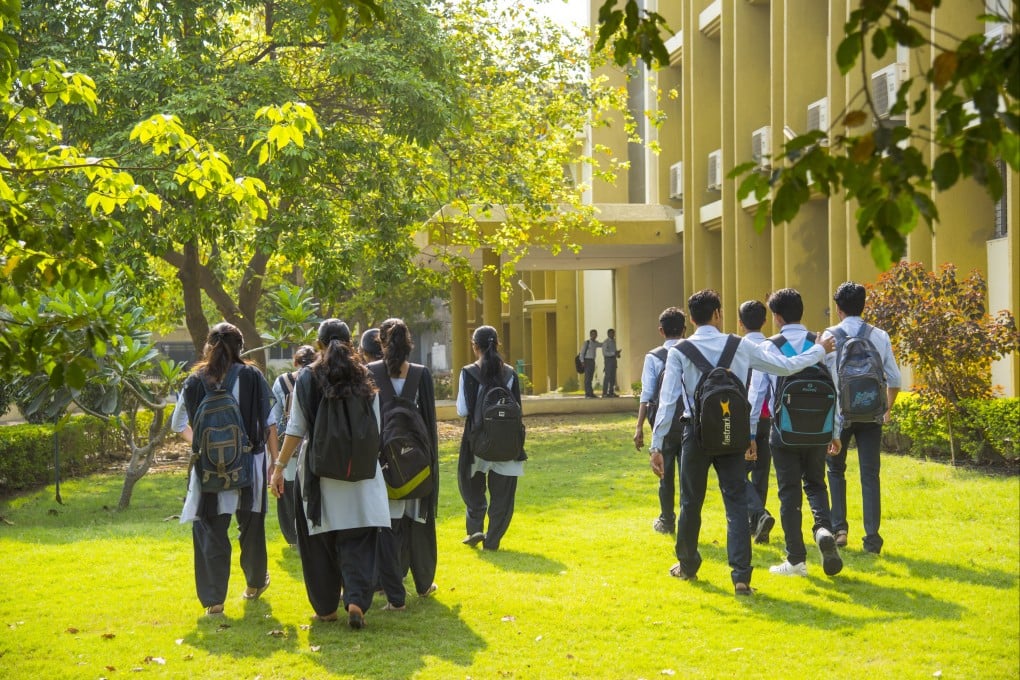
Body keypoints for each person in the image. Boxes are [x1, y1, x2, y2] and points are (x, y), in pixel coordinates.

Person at [649, 289, 835, 596]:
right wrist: (819, 350)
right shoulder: (740, 345)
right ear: (718, 314)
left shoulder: (679, 351)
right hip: (732, 435)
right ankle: (741, 577)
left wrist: (657, 445)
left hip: (695, 434)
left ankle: (688, 565)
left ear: (691, 319)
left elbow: (668, 401)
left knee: (690, 503)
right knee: (736, 505)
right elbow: (785, 367)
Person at [269, 319, 390, 629]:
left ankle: (325, 608)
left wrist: (279, 467)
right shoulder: (365, 374)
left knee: (318, 544)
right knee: (359, 539)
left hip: (319, 472)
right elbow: (376, 425)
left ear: (319, 344)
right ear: (350, 342)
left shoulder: (308, 377)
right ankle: (355, 601)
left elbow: (295, 429)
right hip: (361, 472)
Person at [171, 322, 278, 617]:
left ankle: (214, 601)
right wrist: (276, 464)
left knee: (210, 530)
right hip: (250, 465)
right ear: (240, 347)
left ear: (208, 346)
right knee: (251, 527)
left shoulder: (194, 381)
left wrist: (201, 446)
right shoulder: (253, 376)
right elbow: (270, 422)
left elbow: (177, 423)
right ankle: (255, 584)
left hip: (209, 471)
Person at [761, 289, 843, 577]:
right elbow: (835, 388)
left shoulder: (771, 346)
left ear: (777, 317)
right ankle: (823, 529)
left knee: (789, 493)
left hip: (783, 433)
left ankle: (796, 560)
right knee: (816, 484)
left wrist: (748, 434)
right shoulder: (822, 342)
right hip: (819, 430)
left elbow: (759, 392)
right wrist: (835, 431)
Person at [823, 282, 901, 555]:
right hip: (871, 414)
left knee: (835, 471)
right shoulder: (878, 335)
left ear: (838, 308)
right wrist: (886, 408)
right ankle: (872, 540)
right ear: (864, 305)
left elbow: (823, 380)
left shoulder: (829, 336)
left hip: (839, 416)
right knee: (870, 475)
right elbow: (895, 379)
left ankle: (840, 530)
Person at [368, 318, 440, 606]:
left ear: (381, 343)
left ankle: (385, 584)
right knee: (417, 521)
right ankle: (423, 582)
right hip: (417, 461)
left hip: (383, 463)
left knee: (386, 525)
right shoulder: (421, 374)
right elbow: (430, 424)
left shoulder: (370, 373)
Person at [457, 325, 524, 551]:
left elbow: (462, 409)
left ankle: (475, 527)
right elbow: (517, 407)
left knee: (472, 486)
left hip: (478, 441)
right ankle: (493, 539)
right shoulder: (510, 373)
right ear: (497, 345)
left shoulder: (468, 373)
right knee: (503, 494)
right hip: (506, 441)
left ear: (475, 346)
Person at [633, 307, 686, 534]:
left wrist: (639, 427)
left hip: (662, 423)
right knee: (689, 476)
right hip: (689, 422)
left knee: (664, 473)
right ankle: (688, 519)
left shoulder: (654, 357)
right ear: (685, 329)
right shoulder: (691, 352)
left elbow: (647, 394)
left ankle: (666, 520)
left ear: (661, 331)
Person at [737, 300, 776, 544]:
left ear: (740, 323)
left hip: (744, 418)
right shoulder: (773, 346)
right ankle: (757, 527)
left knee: (736, 473)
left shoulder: (736, 348)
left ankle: (758, 515)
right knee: (761, 472)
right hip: (769, 418)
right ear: (765, 321)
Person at [270, 344, 316, 547]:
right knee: (309, 491)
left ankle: (292, 537)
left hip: (288, 448)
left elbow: (276, 417)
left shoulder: (281, 383)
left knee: (287, 493)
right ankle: (311, 533)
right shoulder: (318, 379)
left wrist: (277, 454)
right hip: (312, 446)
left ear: (295, 362)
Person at [579, 329, 602, 398]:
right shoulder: (587, 343)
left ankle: (590, 393)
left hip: (592, 361)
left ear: (597, 335)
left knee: (590, 378)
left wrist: (607, 342)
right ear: (590, 335)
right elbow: (582, 353)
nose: (594, 335)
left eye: (595, 334)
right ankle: (587, 394)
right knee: (587, 378)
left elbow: (601, 345)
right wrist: (582, 361)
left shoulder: (595, 343)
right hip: (587, 361)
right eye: (592, 334)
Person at [602, 328, 622, 397]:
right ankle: (604, 393)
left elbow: (614, 350)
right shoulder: (606, 342)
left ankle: (611, 392)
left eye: (613, 333)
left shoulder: (613, 341)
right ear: (608, 334)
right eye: (611, 333)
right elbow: (605, 353)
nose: (612, 334)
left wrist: (617, 354)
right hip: (608, 360)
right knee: (607, 376)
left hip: (613, 360)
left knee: (613, 377)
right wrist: (614, 353)